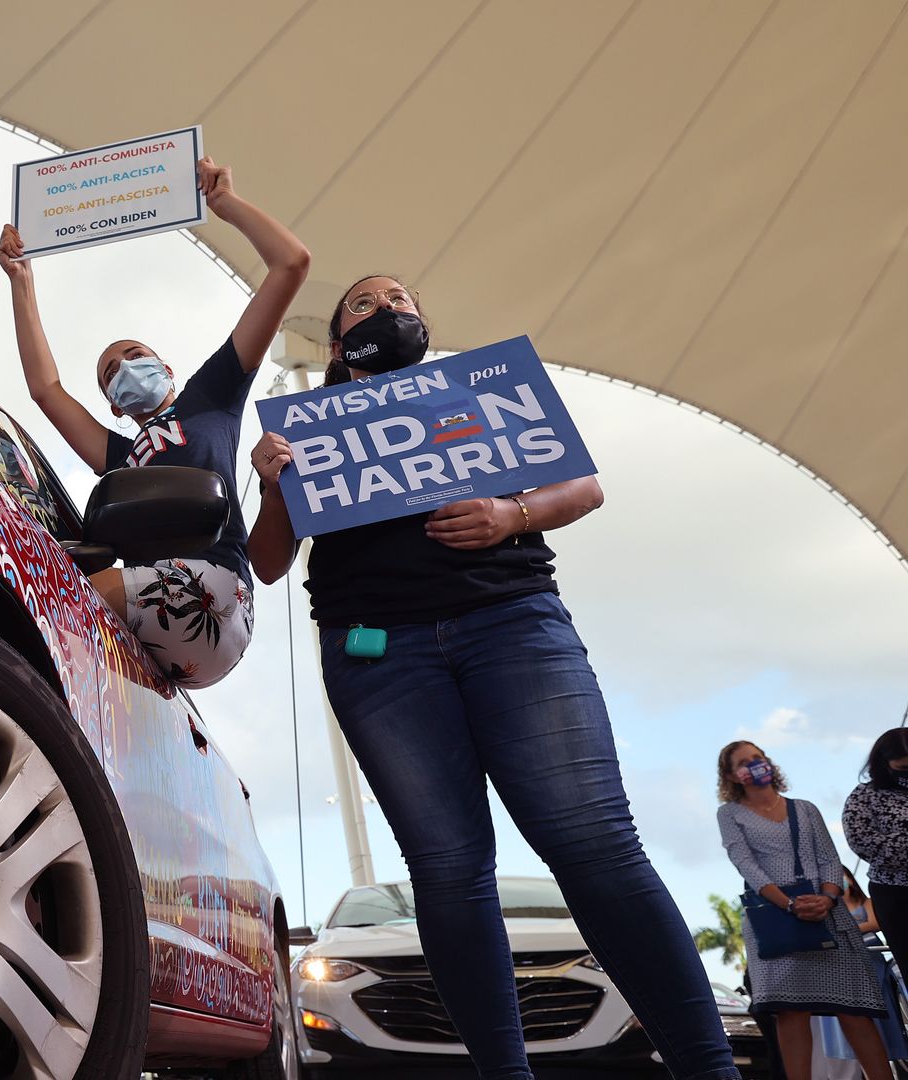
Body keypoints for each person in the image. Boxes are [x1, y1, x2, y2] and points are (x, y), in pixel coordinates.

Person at [243, 276, 739, 1080]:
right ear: (338, 347)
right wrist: (272, 485)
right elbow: (267, 562)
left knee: (597, 846)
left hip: (514, 627)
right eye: (365, 302)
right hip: (379, 656)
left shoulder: (480, 391)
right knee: (444, 870)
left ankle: (708, 1068)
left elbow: (584, 487)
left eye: (402, 298)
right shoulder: (306, 434)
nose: (389, 307)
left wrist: (514, 516)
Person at [0, 155, 308, 687]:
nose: (123, 370)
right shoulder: (121, 463)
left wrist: (225, 204)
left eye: (133, 356)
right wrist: (21, 281)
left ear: (165, 368)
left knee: (58, 600)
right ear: (114, 406)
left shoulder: (212, 396)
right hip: (161, 623)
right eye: (109, 374)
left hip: (218, 589)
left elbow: (291, 265)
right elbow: (46, 390)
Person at [714, 741, 892, 1079]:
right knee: (791, 1012)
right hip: (773, 918)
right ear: (731, 775)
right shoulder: (730, 814)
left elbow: (828, 858)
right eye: (744, 762)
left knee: (853, 1008)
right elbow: (746, 865)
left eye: (758, 757)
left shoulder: (805, 809)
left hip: (828, 914)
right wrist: (790, 904)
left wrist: (826, 898)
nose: (755, 765)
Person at [815, 874, 908, 1066]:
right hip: (847, 969)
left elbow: (875, 923)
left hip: (874, 963)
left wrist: (848, 930)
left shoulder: (866, 903)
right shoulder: (830, 913)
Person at [843, 727, 908, 957]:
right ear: (883, 764)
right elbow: (862, 842)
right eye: (902, 769)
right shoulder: (864, 796)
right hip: (894, 893)